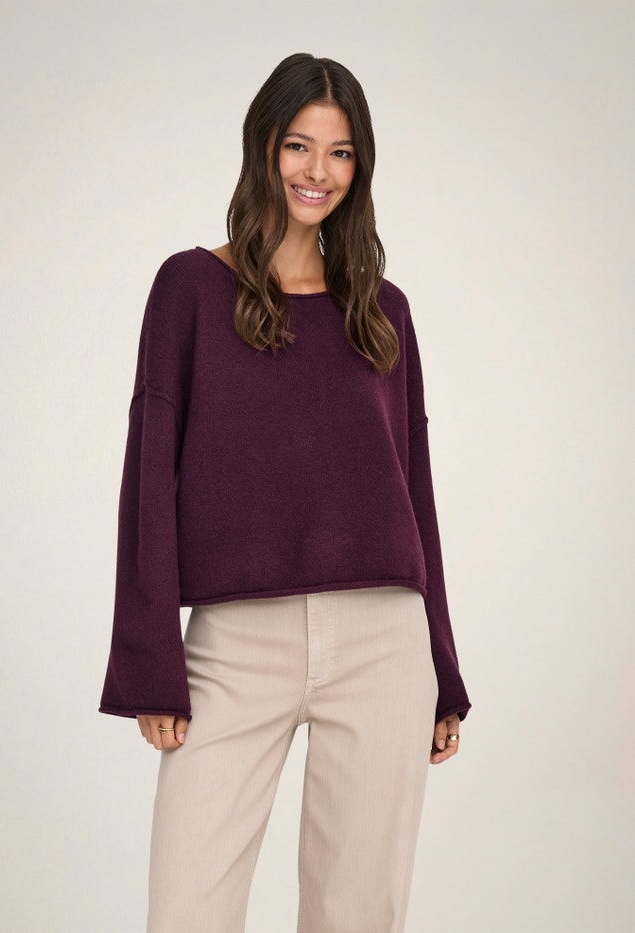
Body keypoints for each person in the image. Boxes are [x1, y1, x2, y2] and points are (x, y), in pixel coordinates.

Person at [99, 52, 471, 933]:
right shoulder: (190, 288)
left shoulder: (383, 310)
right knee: (186, 911)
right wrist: (150, 658)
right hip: (236, 645)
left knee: (357, 916)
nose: (318, 171)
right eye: (299, 145)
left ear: (359, 166)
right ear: (263, 145)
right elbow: (149, 472)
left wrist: (443, 667)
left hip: (383, 641)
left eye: (340, 153)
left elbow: (413, 492)